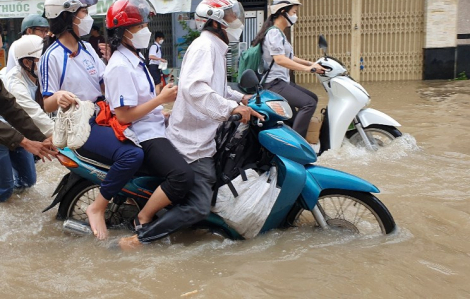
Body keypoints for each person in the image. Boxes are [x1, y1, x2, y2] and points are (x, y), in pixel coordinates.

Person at [118, 0, 263, 250]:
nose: (235, 21)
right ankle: (139, 239)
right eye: (230, 17)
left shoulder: (214, 47)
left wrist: (241, 98)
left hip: (203, 134)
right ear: (216, 22)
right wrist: (231, 108)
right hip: (193, 141)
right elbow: (195, 89)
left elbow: (215, 87)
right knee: (198, 206)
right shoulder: (205, 47)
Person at [40, 0, 144, 240]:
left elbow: (104, 84)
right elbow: (46, 102)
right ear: (68, 17)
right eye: (83, 12)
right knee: (132, 154)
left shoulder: (87, 48)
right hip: (82, 123)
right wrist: (60, 96)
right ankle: (97, 207)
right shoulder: (52, 56)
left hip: (104, 114)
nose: (87, 17)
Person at [104, 0, 193, 246]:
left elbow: (142, 103)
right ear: (123, 31)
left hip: (154, 126)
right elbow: (123, 116)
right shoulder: (120, 66)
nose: (146, 29)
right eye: (139, 25)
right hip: (143, 134)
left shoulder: (136, 58)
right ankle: (143, 217)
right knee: (182, 176)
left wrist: (163, 110)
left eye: (145, 24)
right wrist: (160, 100)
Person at [251, 0, 325, 138]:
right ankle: (296, 142)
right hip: (274, 83)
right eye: (294, 12)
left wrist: (311, 64)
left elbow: (290, 57)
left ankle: (295, 130)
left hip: (282, 81)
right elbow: (280, 59)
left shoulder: (280, 33)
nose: (295, 16)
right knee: (308, 104)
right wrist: (308, 70)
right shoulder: (274, 33)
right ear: (283, 12)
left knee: (313, 97)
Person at [0, 33, 57, 203]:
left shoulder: (39, 77)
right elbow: (33, 113)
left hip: (16, 132)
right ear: (27, 62)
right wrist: (28, 141)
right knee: (5, 188)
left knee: (28, 181)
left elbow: (10, 107)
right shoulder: (15, 82)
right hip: (4, 134)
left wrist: (42, 139)